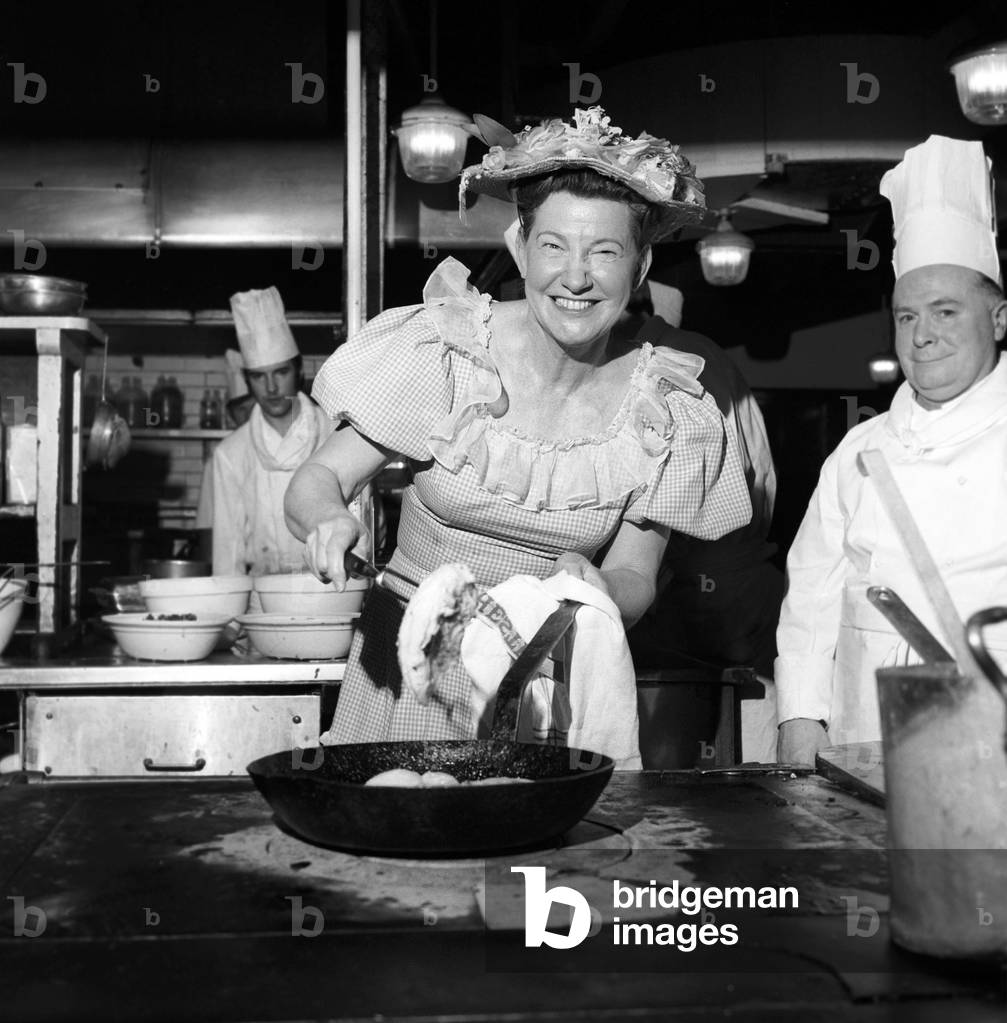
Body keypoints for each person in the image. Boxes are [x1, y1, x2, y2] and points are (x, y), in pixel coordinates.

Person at [284, 106, 753, 744]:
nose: (577, 277)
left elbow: (637, 576)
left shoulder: (666, 408)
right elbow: (315, 480)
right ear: (519, 250)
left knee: (533, 843)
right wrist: (328, 519)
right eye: (554, 246)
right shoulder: (447, 353)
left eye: (605, 252)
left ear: (640, 268)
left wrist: (601, 585)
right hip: (414, 671)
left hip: (543, 685)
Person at [775, 135, 1007, 766]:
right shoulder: (860, 448)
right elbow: (813, 589)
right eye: (907, 317)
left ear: (999, 318)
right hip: (866, 734)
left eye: (945, 311)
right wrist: (799, 714)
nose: (923, 335)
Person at [196, 287, 352, 582]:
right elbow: (226, 552)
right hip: (262, 597)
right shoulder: (230, 454)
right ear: (248, 381)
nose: (270, 388)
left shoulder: (336, 436)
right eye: (258, 376)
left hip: (330, 592)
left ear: (298, 371)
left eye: (280, 373)